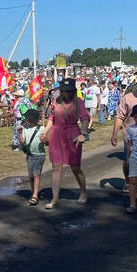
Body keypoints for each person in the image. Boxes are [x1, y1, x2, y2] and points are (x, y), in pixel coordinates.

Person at [39, 78, 89, 209]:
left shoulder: (78, 102)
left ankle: (83, 191)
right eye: (63, 91)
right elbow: (52, 118)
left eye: (68, 91)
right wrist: (45, 132)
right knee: (56, 167)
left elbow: (85, 119)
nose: (65, 93)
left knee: (75, 167)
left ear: (72, 91)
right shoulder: (57, 101)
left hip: (73, 136)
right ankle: (55, 199)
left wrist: (83, 134)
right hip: (56, 135)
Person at [18, 109, 46, 206]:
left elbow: (46, 141)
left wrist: (44, 139)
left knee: (36, 174)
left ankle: (34, 196)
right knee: (31, 176)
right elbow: (22, 142)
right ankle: (34, 192)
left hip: (39, 155)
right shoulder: (25, 129)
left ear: (33, 119)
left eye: (27, 118)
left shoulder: (41, 129)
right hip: (30, 155)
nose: (26, 120)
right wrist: (20, 133)